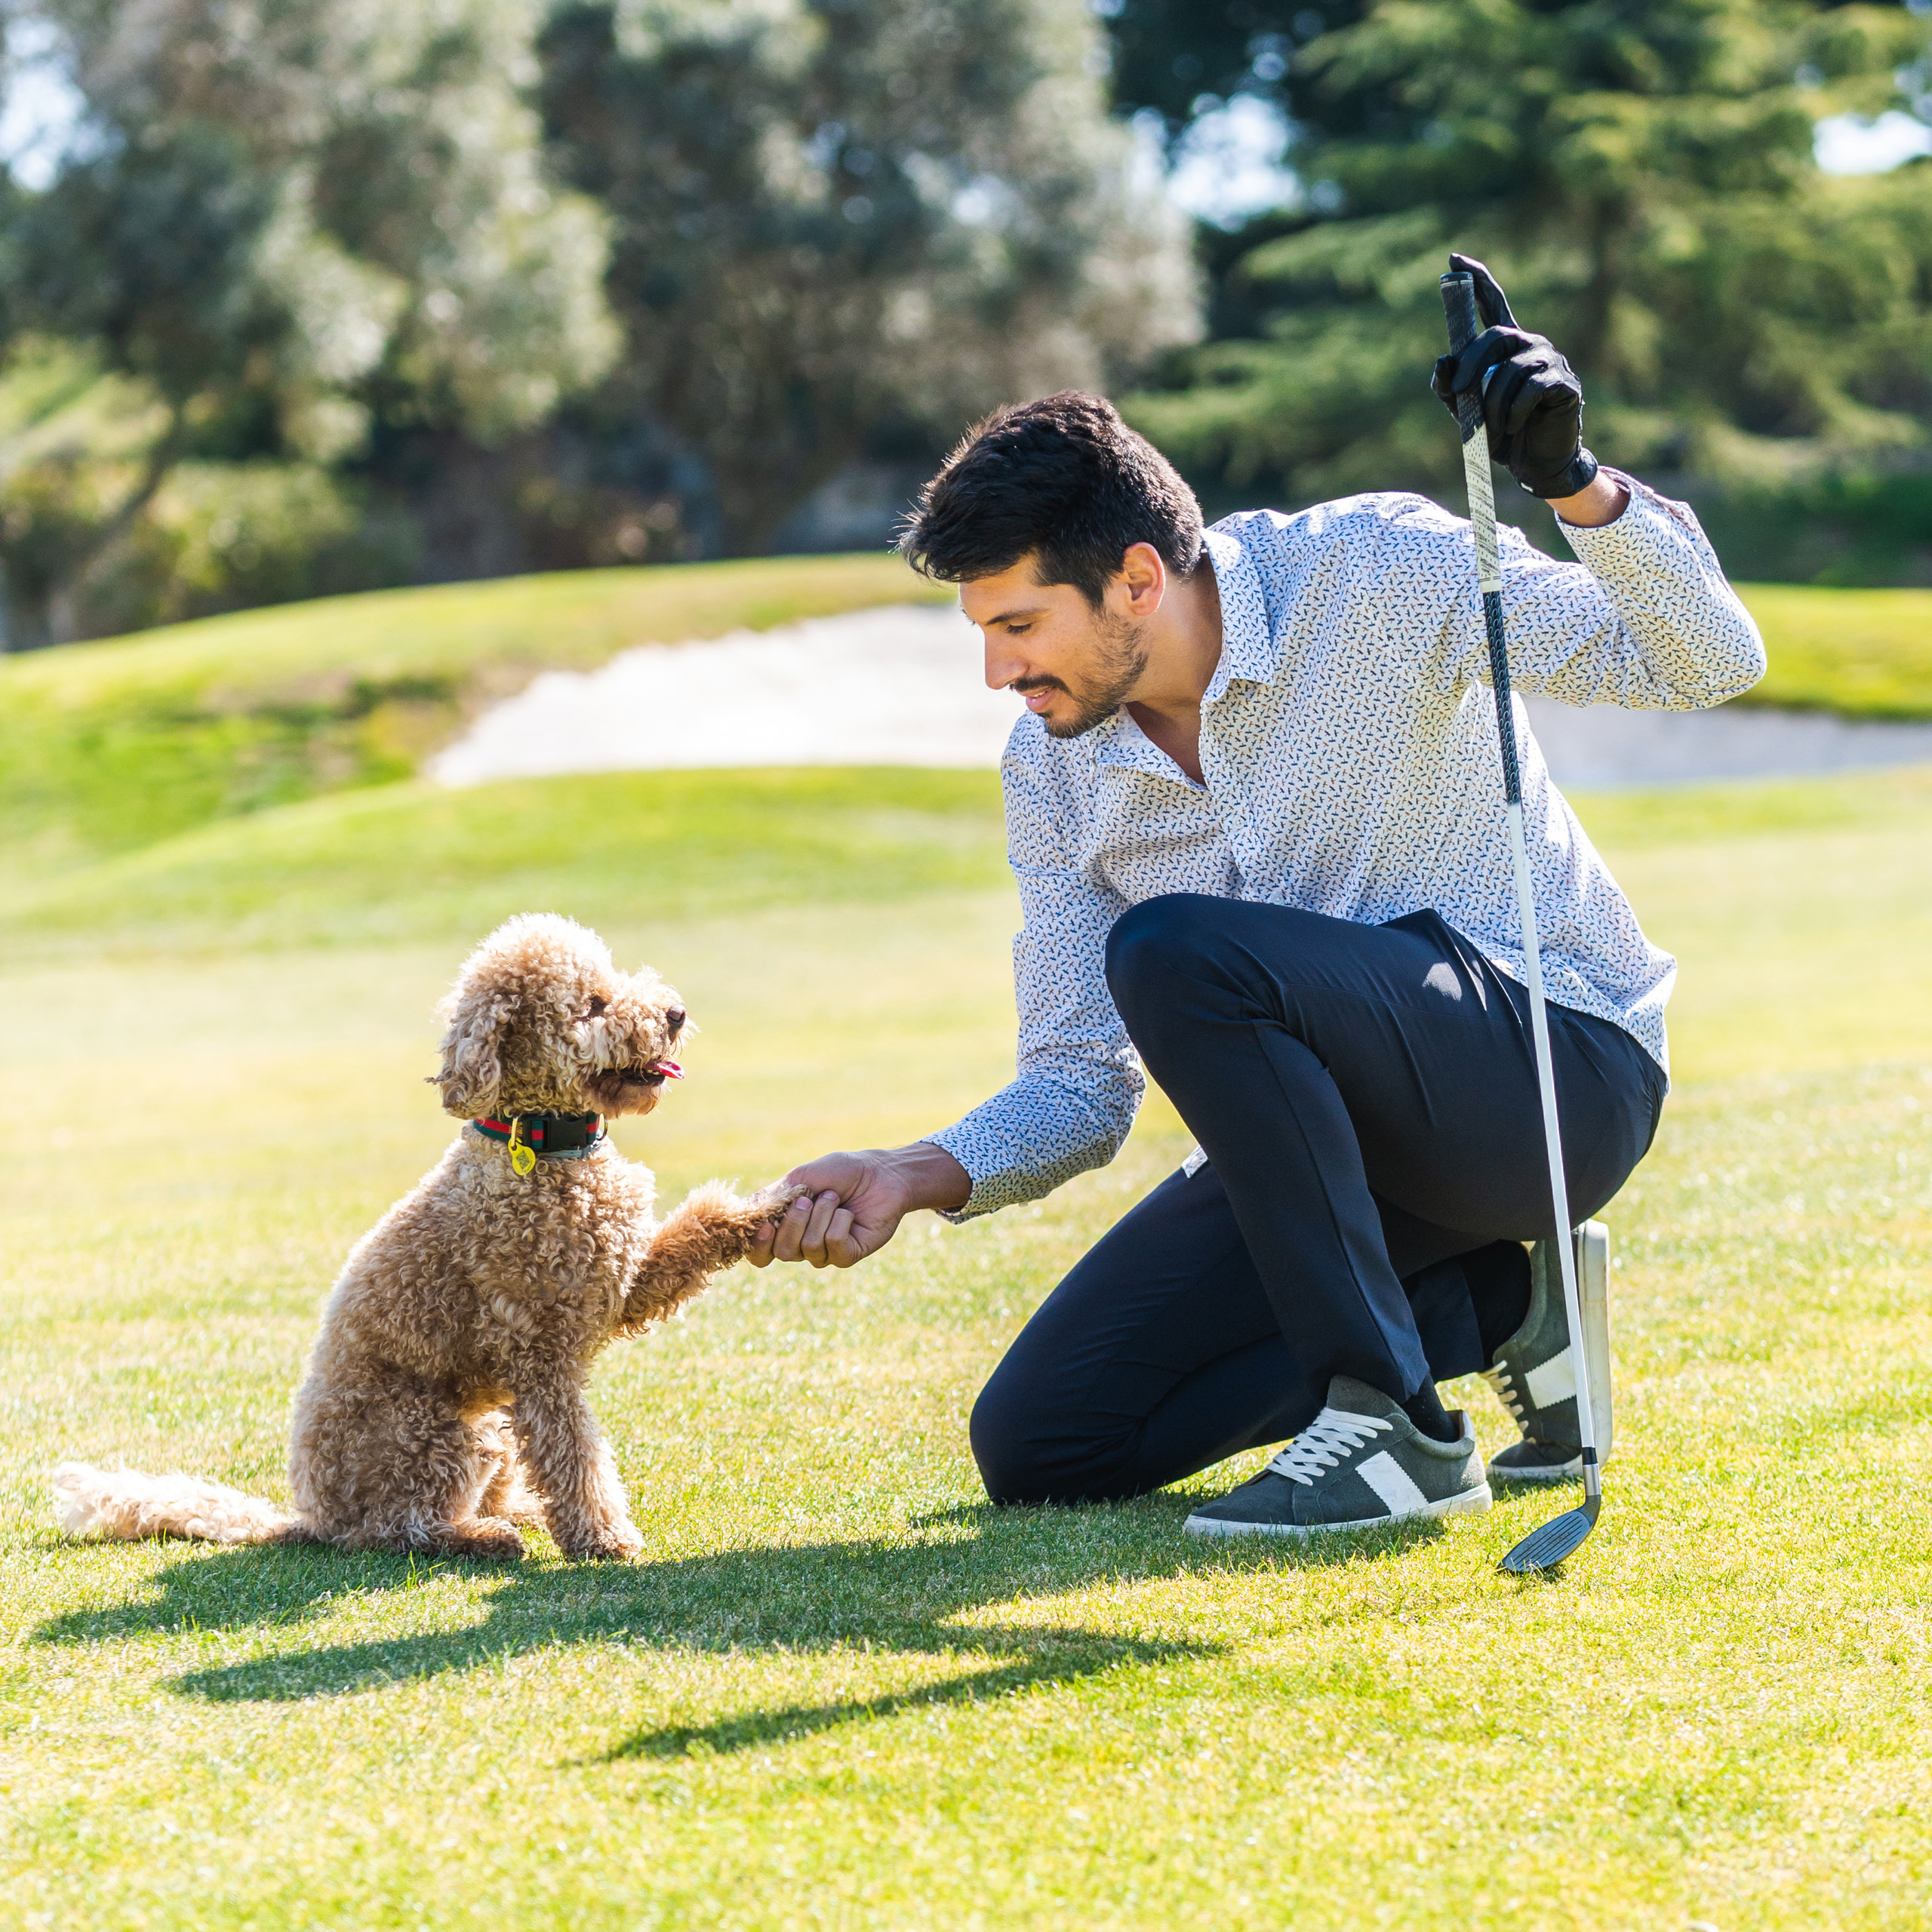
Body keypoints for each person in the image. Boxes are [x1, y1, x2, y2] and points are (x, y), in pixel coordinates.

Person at [747, 256, 1764, 1537]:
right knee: (1048, 1438)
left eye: (1018, 624)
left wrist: (1575, 483)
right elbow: (1077, 1080)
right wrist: (917, 1172)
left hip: (1557, 1079)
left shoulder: (1379, 573)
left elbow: (1710, 658)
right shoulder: (1056, 770)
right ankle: (1504, 1308)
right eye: (982, 634)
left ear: (1134, 579)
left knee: (1179, 951)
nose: (998, 671)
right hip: (1342, 1165)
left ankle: (1392, 1425)